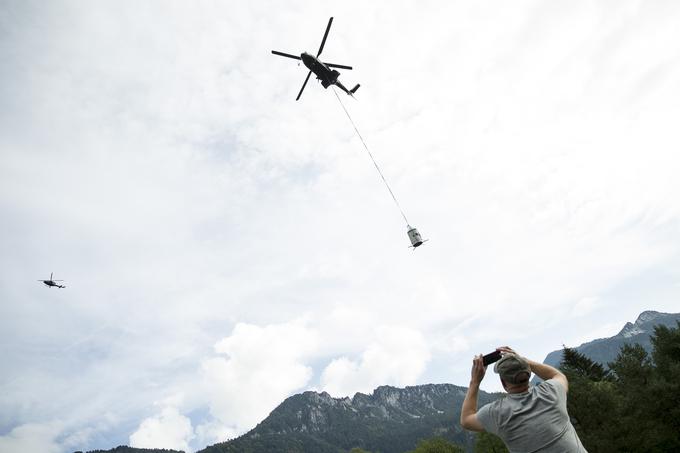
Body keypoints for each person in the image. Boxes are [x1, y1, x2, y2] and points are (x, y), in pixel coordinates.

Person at [460, 346, 588, 452]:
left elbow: (466, 420)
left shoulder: (497, 414)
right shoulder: (552, 392)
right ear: (529, 373)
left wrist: (475, 381)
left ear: (504, 384)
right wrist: (524, 361)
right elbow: (558, 375)